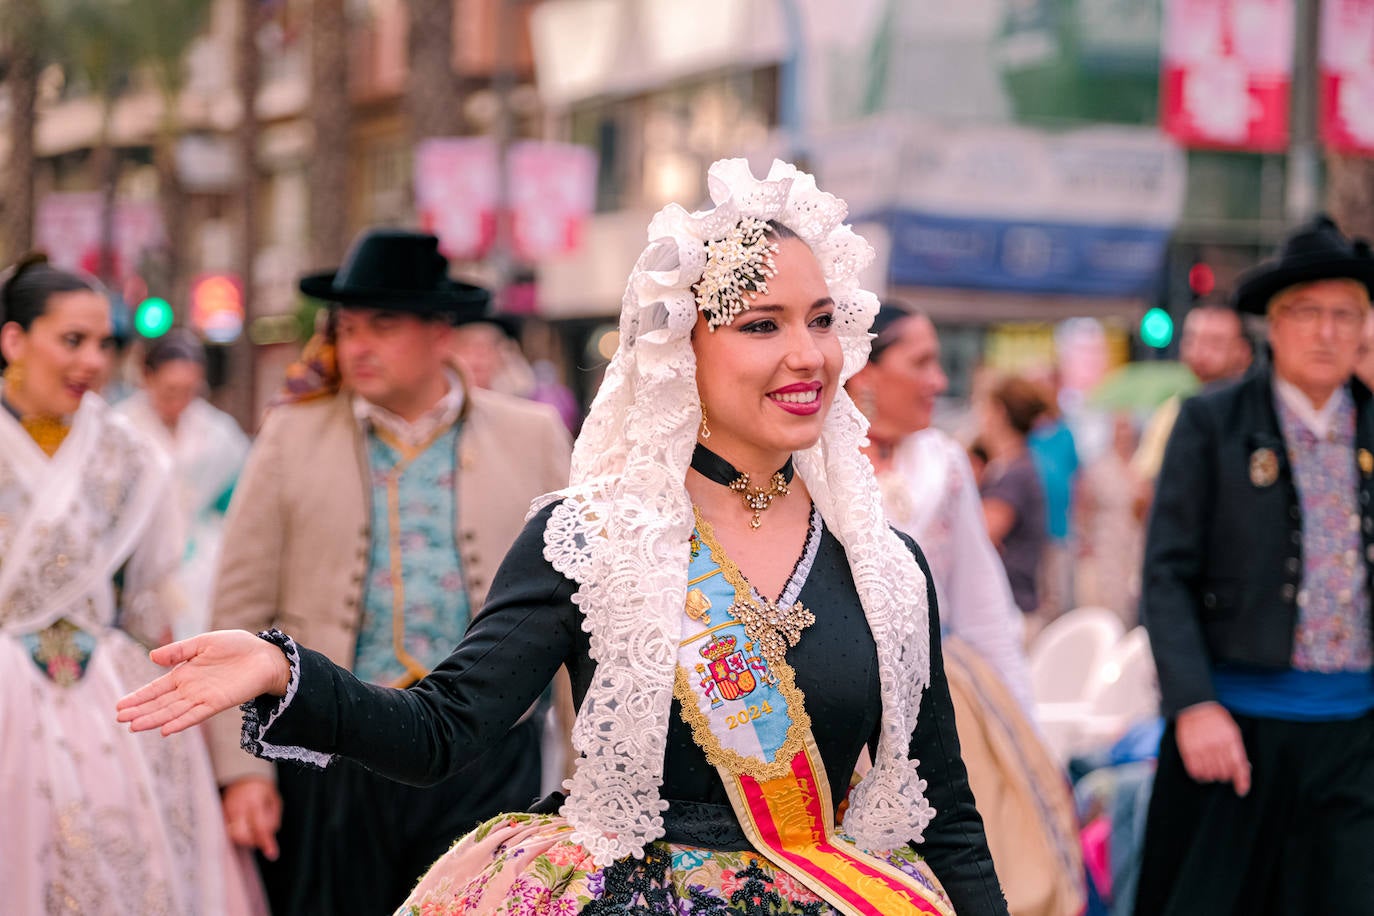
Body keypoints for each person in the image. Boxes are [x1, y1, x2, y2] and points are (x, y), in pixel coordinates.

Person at [120, 158, 1009, 916]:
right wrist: (288, 671)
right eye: (761, 325)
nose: (808, 355)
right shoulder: (590, 537)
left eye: (822, 320)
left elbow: (947, 816)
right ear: (681, 348)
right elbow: (442, 728)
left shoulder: (885, 566)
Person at [202, 229, 574, 915]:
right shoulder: (291, 435)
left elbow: (581, 612)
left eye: (383, 325)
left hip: (489, 754)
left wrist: (589, 775)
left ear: (441, 334)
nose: (358, 345)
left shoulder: (532, 435)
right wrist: (240, 772)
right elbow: (240, 602)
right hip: (332, 752)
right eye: (346, 328)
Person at [0, 254, 260, 913]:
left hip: (109, 699)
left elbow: (149, 601)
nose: (92, 361)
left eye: (105, 344)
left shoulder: (129, 455)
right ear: (12, 340)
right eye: (72, 340)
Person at [1135, 215, 1374, 915]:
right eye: (1308, 313)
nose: (1328, 332)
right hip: (1233, 729)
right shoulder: (1211, 424)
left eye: (1347, 314)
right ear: (1273, 323)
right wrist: (1194, 704)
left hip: (1356, 734)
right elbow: (1165, 573)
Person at [848, 303, 1084, 916]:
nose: (939, 381)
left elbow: (985, 608)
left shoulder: (944, 461)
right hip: (841, 702)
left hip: (947, 693)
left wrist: (1027, 730)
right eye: (922, 362)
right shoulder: (815, 459)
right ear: (866, 374)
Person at [118, 328, 250, 640]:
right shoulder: (120, 429)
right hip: (138, 560)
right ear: (147, 377)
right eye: (169, 391)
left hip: (202, 562)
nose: (179, 402)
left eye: (189, 391)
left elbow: (238, 503)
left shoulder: (217, 432)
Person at [1131, 304, 1252, 484]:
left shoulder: (1258, 410)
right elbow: (1143, 486)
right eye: (1192, 339)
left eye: (1215, 342)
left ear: (1243, 351)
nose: (1200, 351)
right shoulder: (1173, 411)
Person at [978, 375, 1050, 620]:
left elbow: (981, 534)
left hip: (1012, 609)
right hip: (1010, 604)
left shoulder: (1016, 473)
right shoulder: (1007, 467)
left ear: (999, 413)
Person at [1075, 412, 1144, 628]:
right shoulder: (1099, 467)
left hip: (1134, 536)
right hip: (1107, 536)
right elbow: (1084, 505)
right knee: (1111, 593)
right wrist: (1085, 537)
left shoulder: (1141, 464)